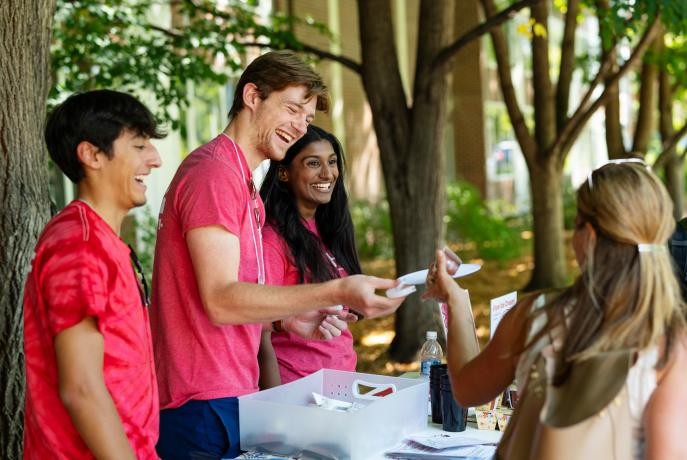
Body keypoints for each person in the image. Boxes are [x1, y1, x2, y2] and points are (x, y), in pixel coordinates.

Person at [151, 50, 405, 459]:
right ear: (253, 96)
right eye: (291, 109)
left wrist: (287, 319)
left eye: (306, 117)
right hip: (201, 402)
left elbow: (233, 298)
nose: (298, 126)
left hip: (234, 395)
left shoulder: (242, 183)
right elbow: (219, 299)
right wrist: (333, 290)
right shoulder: (213, 174)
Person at [424, 160, 687, 459]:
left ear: (587, 235)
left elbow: (467, 391)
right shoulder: (671, 343)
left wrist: (455, 301)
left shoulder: (534, 315)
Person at [23, 89, 164, 459]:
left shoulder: (99, 239)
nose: (155, 159)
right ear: (92, 155)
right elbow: (81, 388)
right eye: (138, 146)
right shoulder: (79, 244)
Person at [258, 125, 359, 387]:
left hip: (339, 388)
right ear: (283, 172)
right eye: (313, 163)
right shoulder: (272, 240)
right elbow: (258, 330)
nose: (327, 173)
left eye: (332, 162)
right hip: (298, 390)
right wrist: (275, 406)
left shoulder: (328, 230)